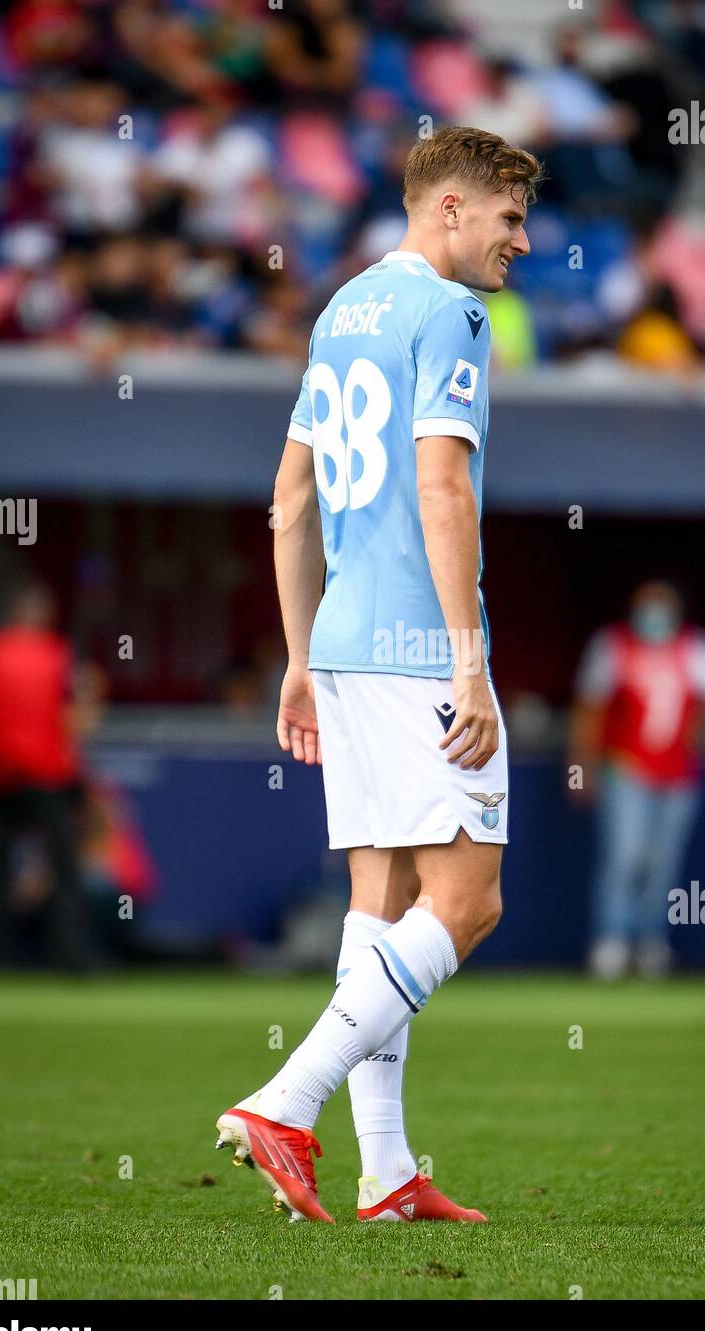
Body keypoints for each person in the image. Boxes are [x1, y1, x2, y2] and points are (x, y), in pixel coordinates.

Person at [215, 125, 541, 1223]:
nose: (524, 241)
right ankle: (284, 1102)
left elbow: (290, 500)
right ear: (449, 207)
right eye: (508, 217)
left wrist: (300, 658)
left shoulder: (339, 311)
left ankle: (387, 1172)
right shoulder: (452, 316)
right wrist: (471, 659)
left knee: (383, 897)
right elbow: (442, 488)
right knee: (468, 902)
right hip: (415, 648)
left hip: (345, 647)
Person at [569, 580, 705, 979]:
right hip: (626, 768)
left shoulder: (694, 646)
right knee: (625, 855)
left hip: (679, 774)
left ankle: (650, 942)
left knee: (662, 861)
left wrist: (703, 723)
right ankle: (611, 942)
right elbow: (589, 707)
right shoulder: (613, 644)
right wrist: (580, 767)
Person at [0, 584, 98, 970]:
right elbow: (76, 722)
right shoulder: (58, 654)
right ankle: (68, 959)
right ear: (41, 615)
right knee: (65, 871)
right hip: (48, 776)